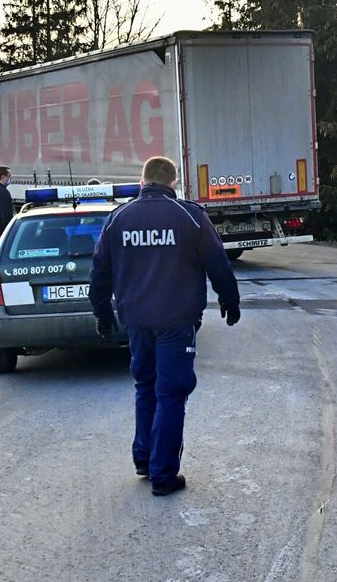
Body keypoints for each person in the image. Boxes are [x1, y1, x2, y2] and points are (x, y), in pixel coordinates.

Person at [89, 156, 240, 497]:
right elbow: (218, 263)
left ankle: (144, 457)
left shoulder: (119, 218)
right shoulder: (190, 216)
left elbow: (100, 271)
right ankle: (163, 474)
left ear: (142, 182)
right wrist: (230, 300)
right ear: (174, 183)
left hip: (137, 321)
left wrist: (101, 312)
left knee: (146, 385)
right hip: (177, 321)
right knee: (171, 392)